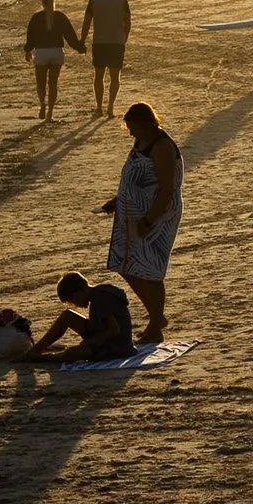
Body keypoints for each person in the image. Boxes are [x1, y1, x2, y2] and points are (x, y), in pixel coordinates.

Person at [98, 102, 182, 344]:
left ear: (147, 123)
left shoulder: (162, 146)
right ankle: (157, 316)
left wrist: (149, 219)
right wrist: (118, 200)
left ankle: (155, 327)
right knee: (125, 265)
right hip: (131, 214)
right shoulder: (141, 141)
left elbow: (167, 189)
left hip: (157, 215)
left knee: (151, 271)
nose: (131, 133)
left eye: (133, 127)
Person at [28, 271, 135, 363]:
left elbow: (114, 330)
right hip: (102, 336)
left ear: (78, 293)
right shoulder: (98, 293)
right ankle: (35, 350)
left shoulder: (101, 297)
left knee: (72, 353)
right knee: (67, 316)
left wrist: (90, 341)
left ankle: (44, 358)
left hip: (117, 347)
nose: (75, 305)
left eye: (73, 301)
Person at [23, 0, 86, 122]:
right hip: (57, 52)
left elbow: (31, 37)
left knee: (40, 82)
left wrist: (28, 50)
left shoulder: (36, 18)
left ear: (42, 2)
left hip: (41, 53)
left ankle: (42, 104)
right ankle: (50, 113)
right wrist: (79, 47)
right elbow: (70, 36)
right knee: (53, 83)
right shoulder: (60, 16)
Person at [81, 0, 132, 119]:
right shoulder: (122, 0)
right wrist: (125, 37)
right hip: (116, 41)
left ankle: (99, 107)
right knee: (115, 76)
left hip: (100, 42)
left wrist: (82, 40)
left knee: (99, 75)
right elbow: (128, 21)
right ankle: (110, 107)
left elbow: (86, 22)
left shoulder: (94, 0)